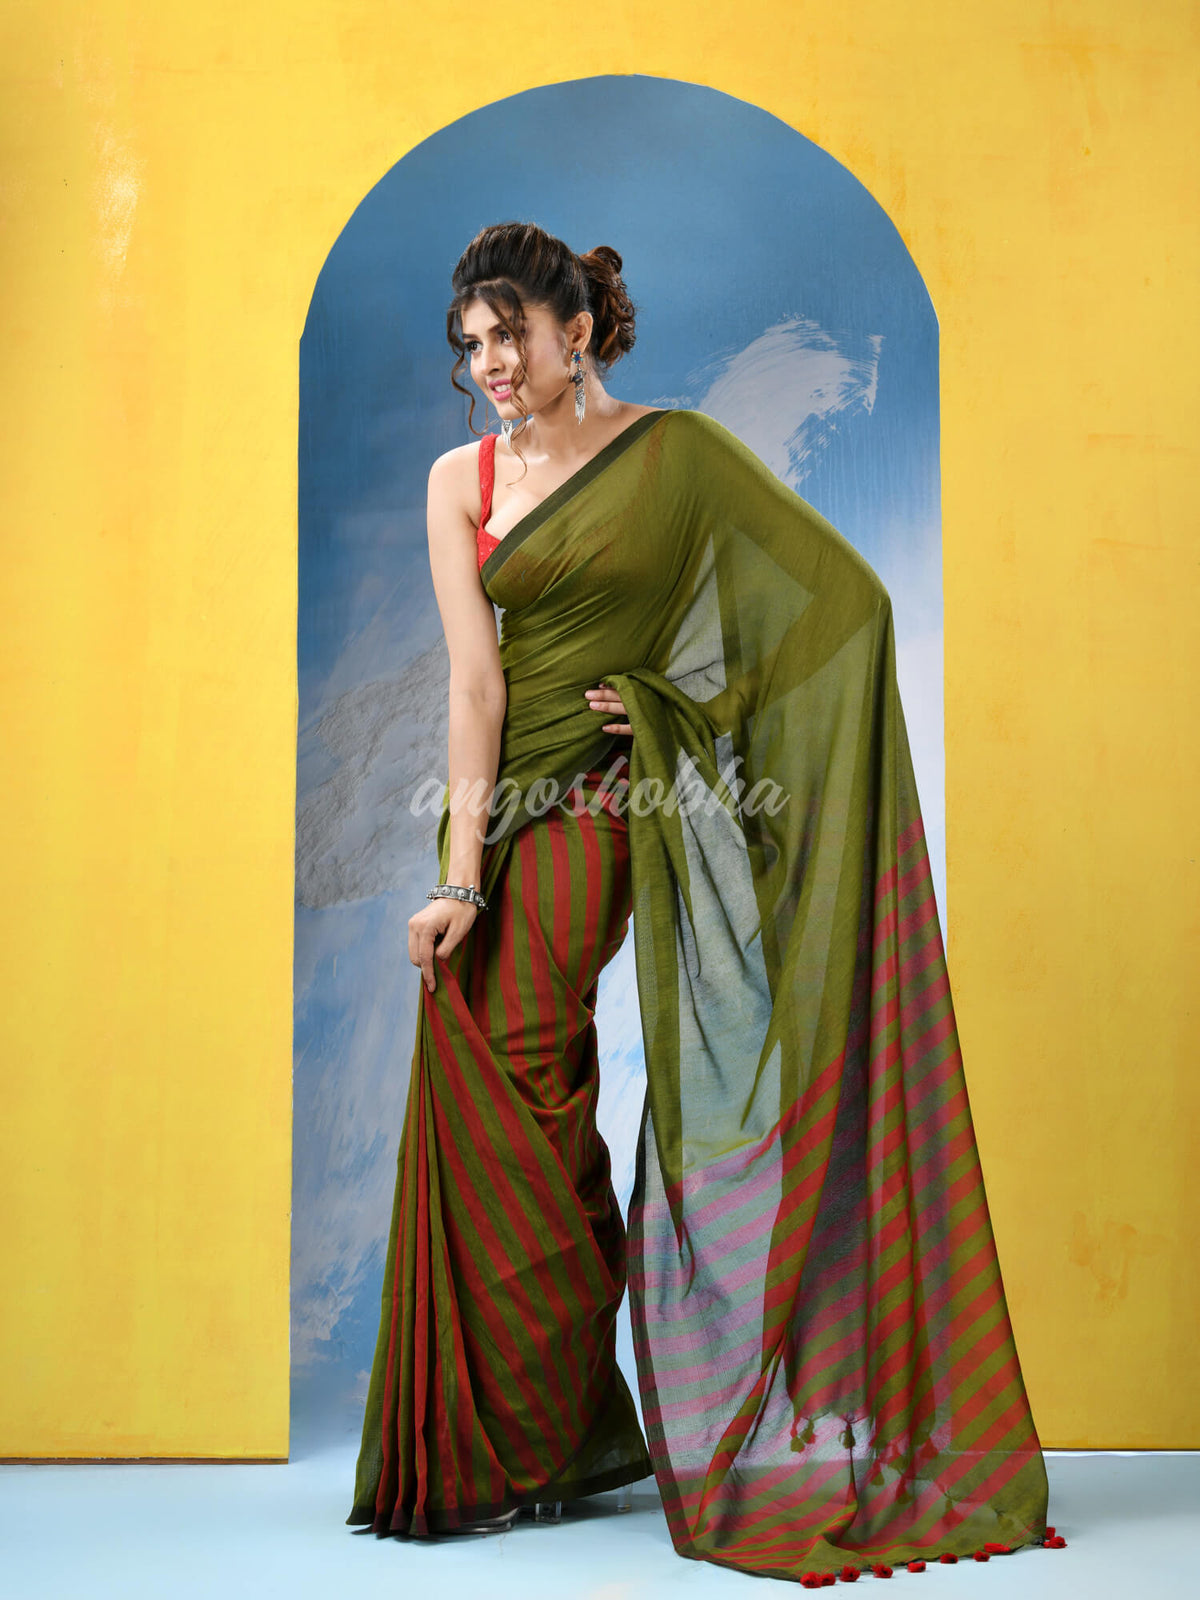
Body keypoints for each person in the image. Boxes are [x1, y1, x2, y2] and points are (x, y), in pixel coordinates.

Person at [347, 221, 1058, 1584]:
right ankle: (543, 1442)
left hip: (606, 799)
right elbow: (475, 686)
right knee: (492, 1078)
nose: (491, 365)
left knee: (524, 1060)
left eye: (512, 336)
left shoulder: (673, 456)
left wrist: (684, 706)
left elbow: (841, 607)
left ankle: (537, 1438)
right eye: (473, 345)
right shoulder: (460, 478)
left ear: (576, 331)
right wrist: (458, 872)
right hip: (499, 805)